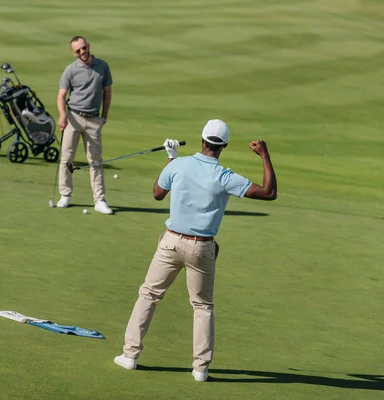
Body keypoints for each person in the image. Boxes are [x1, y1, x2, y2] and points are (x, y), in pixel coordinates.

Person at [113, 119, 278, 382]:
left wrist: (171, 158)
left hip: (170, 243)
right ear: (223, 145)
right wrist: (264, 155)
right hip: (202, 248)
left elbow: (157, 193)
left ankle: (130, 356)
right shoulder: (224, 176)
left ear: (202, 140)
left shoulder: (179, 164)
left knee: (149, 295)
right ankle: (200, 369)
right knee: (202, 307)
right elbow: (269, 192)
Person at [56, 36, 114, 214]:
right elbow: (61, 96)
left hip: (94, 119)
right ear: (74, 53)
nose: (82, 52)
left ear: (88, 46)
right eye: (78, 51)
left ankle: (99, 200)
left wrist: (104, 117)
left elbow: (107, 93)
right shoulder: (70, 70)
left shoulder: (102, 66)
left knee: (95, 160)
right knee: (67, 158)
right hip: (73, 117)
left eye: (83, 48)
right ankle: (65, 195)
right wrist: (62, 116)